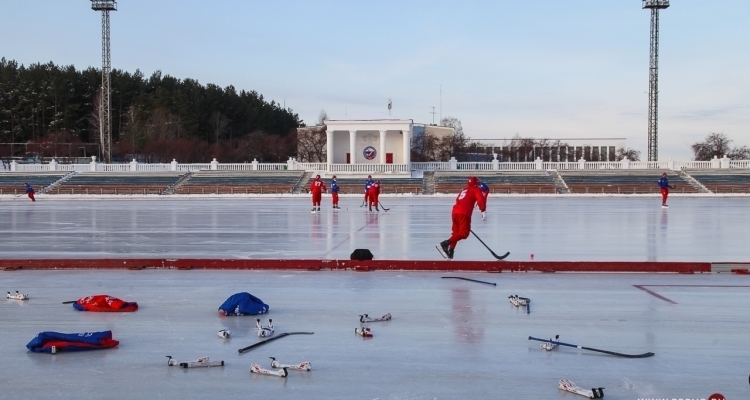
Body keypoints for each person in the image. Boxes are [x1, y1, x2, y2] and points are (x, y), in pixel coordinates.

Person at [438, 176, 486, 260]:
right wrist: (483, 210)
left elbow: (458, 200)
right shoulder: (475, 189)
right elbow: (481, 199)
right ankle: (445, 244)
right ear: (476, 183)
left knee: (456, 233)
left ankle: (450, 252)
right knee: (464, 233)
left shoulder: (464, 190)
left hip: (455, 212)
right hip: (464, 213)